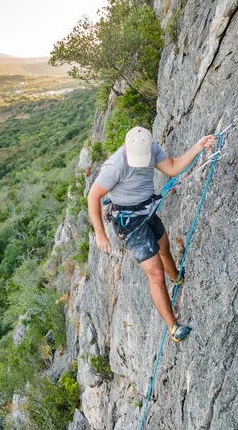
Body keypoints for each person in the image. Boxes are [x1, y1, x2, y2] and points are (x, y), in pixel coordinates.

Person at [87, 126, 215, 342]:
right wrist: (100, 233)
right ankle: (173, 327)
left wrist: (198, 147)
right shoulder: (115, 165)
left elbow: (173, 167)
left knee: (163, 246)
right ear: (126, 148)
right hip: (128, 222)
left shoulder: (152, 149)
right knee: (155, 274)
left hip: (147, 209)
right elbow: (93, 196)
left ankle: (176, 277)